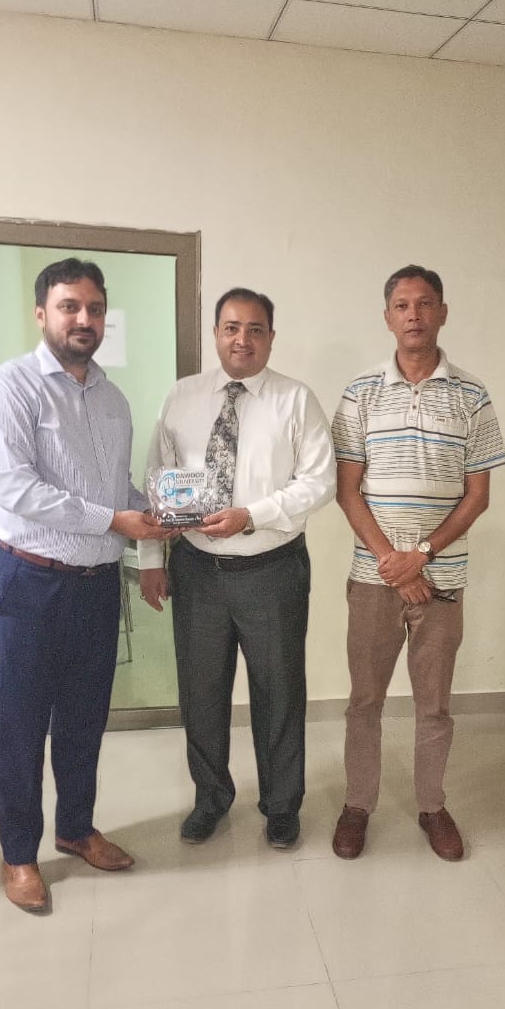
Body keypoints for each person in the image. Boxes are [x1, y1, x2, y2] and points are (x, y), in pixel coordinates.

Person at [0, 258, 172, 911]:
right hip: (28, 584)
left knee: (85, 718)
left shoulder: (113, 400)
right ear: (42, 314)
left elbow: (117, 492)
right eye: (69, 307)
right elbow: (18, 490)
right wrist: (117, 519)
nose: (83, 319)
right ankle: (18, 854)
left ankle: (76, 828)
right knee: (21, 725)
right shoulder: (10, 388)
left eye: (94, 308)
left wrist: (158, 516)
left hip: (96, 585)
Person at [138, 288, 336, 849]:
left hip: (272, 570)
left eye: (255, 329)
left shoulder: (295, 400)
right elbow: (157, 477)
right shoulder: (182, 396)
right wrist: (151, 559)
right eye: (231, 327)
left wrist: (253, 515)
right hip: (196, 570)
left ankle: (281, 805)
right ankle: (210, 798)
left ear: (271, 337)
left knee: (279, 693)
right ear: (215, 333)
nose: (241, 339)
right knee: (201, 694)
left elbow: (319, 481)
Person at [331, 265, 505, 861]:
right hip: (374, 578)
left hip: (442, 579)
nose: (414, 314)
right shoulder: (360, 393)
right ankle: (358, 805)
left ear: (442, 313)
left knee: (434, 706)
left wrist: (422, 556)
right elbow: (348, 491)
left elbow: (477, 496)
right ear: (387, 317)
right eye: (403, 305)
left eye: (425, 303)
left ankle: (432, 806)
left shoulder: (472, 395)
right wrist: (393, 562)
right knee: (365, 701)